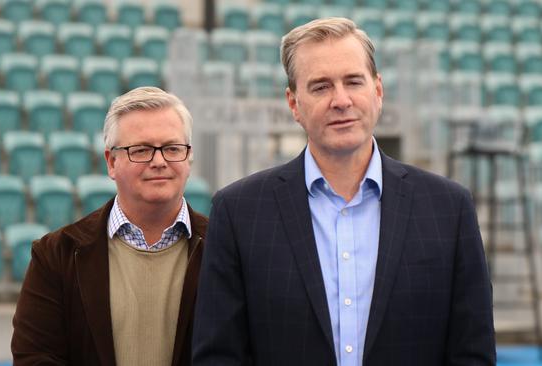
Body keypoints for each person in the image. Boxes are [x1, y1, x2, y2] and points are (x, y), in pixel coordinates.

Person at [192, 17, 495, 366]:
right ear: (293, 104)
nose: (341, 100)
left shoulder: (449, 209)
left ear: (377, 91)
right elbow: (218, 356)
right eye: (320, 87)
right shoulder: (239, 212)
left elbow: (473, 354)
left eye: (353, 82)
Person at [11, 86, 208, 365]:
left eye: (172, 148)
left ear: (188, 158)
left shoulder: (226, 249)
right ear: (111, 162)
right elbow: (35, 358)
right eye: (141, 150)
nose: (159, 161)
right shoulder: (56, 256)